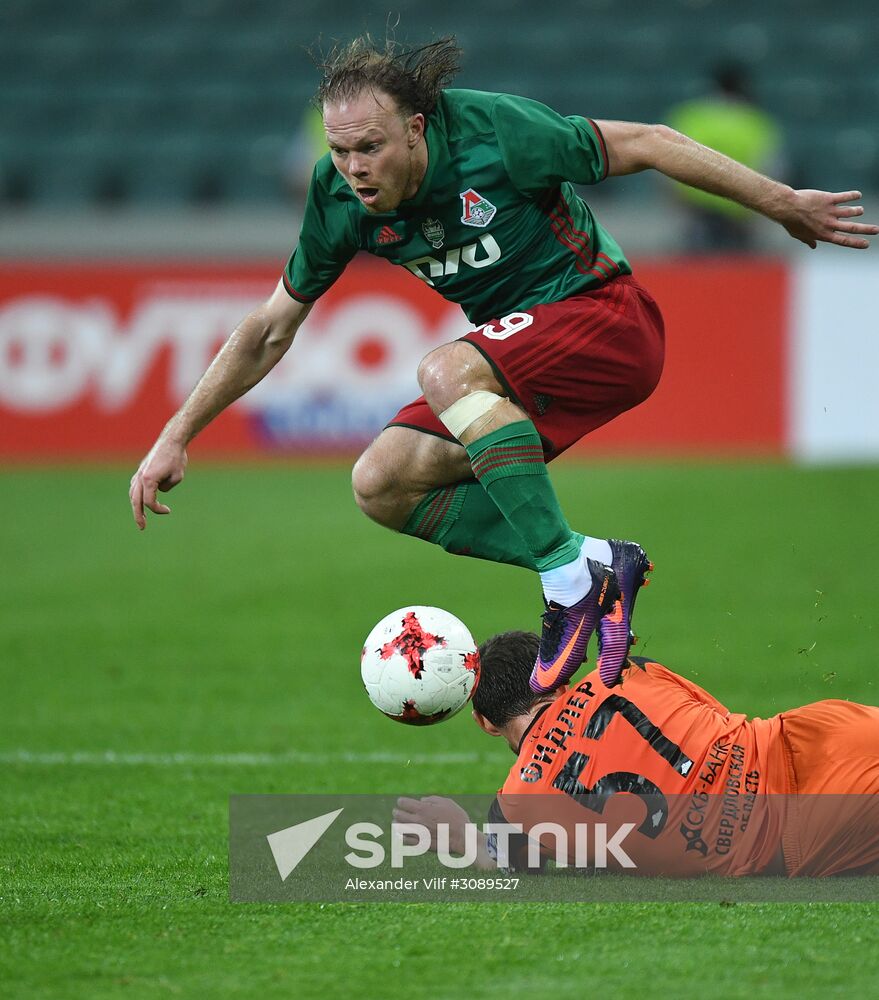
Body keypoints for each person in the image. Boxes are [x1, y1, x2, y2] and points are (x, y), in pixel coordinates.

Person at [129, 35, 877, 693]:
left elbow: (649, 140)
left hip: (606, 318)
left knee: (445, 371)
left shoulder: (492, 130)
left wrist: (780, 203)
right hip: (527, 356)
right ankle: (593, 562)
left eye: (371, 147)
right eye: (340, 150)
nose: (354, 167)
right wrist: (176, 432)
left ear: (416, 128)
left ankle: (566, 583)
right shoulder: (339, 198)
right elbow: (269, 328)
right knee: (381, 483)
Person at [394, 631, 879, 877]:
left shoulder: (516, 807)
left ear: (484, 723)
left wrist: (459, 835)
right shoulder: (626, 670)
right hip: (812, 731)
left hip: (805, 826)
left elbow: (508, 870)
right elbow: (714, 717)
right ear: (558, 674)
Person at [665, 63, 785, 252]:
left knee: (697, 274)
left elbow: (666, 165)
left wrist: (678, 208)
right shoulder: (757, 122)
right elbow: (772, 170)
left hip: (698, 212)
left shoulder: (690, 116)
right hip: (741, 214)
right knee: (739, 276)